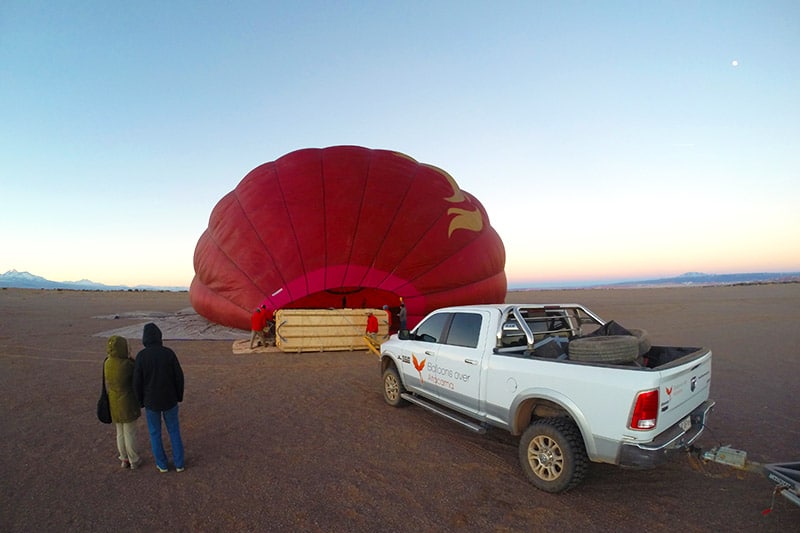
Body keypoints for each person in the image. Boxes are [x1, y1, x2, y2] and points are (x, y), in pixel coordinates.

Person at [134, 323, 185, 473]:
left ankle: (162, 464)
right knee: (174, 430)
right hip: (170, 400)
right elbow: (179, 377)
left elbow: (137, 381)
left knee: (155, 433)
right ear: (159, 336)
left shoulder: (141, 356)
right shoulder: (168, 353)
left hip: (151, 402)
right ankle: (179, 464)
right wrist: (179, 396)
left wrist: (140, 401)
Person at [104, 335, 141, 469]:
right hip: (127, 400)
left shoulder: (107, 363)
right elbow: (137, 375)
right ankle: (133, 460)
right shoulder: (127, 364)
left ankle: (123, 458)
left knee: (119, 432)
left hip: (113, 401)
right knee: (129, 432)